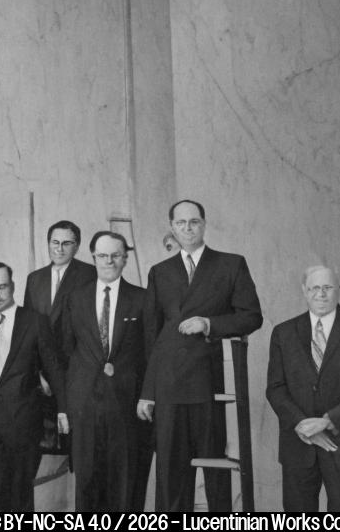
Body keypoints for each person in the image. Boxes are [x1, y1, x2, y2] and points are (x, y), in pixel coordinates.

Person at [136, 200, 262, 511]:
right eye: (181, 223)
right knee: (170, 472)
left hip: (209, 383)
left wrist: (209, 324)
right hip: (168, 384)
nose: (188, 228)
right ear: (172, 228)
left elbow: (251, 316)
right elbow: (152, 338)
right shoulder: (160, 272)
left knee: (215, 470)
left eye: (194, 222)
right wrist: (148, 392)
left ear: (204, 224)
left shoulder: (231, 264)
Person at [56, 232, 149, 511]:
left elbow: (150, 354)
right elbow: (64, 354)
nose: (109, 261)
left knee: (125, 482)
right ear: (93, 257)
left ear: (125, 258)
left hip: (127, 406)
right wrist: (65, 406)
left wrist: (147, 396)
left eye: (116, 255)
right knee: (87, 482)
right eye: (102, 255)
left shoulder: (142, 299)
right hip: (84, 406)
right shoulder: (75, 298)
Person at [267, 266, 340, 511]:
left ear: (338, 290)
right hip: (299, 445)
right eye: (315, 288)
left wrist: (327, 421)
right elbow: (275, 388)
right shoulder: (283, 333)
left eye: (327, 288)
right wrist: (304, 425)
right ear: (304, 291)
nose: (321, 294)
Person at [0, 261, 63, 513]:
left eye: (2, 287)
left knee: (20, 495)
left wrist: (63, 409)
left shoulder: (35, 322)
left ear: (13, 286)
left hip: (23, 422)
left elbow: (53, 369)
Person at [23, 220, 96, 341]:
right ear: (48, 244)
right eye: (55, 242)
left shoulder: (90, 274)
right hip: (42, 355)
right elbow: (28, 324)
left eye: (66, 243)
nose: (59, 249)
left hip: (77, 355)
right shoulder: (34, 279)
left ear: (76, 247)